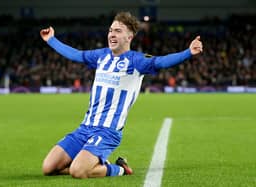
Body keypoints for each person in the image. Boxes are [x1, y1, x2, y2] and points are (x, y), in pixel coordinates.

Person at [40, 11, 203, 179]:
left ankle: (119, 169)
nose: (112, 34)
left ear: (129, 37)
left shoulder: (136, 61)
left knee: (77, 171)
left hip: (107, 131)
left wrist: (188, 52)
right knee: (48, 168)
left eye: (118, 31)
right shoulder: (101, 56)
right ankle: (91, 165)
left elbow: (161, 62)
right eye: (111, 30)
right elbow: (76, 55)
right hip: (85, 128)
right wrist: (51, 40)